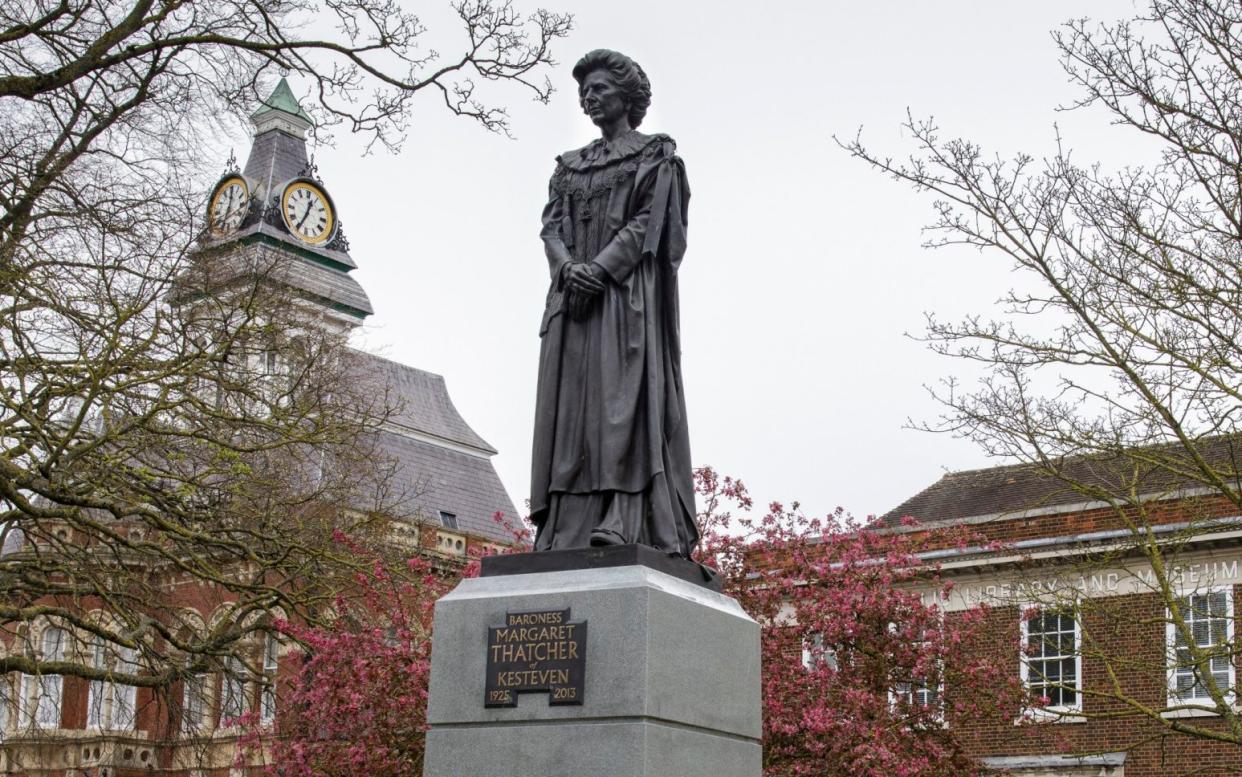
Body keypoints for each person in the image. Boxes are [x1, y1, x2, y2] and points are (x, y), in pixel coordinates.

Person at [530, 49, 698, 557]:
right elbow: (551, 226)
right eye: (585, 91)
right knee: (570, 416)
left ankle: (622, 517)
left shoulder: (655, 156)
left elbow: (651, 224)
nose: (589, 97)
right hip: (573, 306)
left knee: (619, 408)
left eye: (600, 88)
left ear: (627, 96)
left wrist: (599, 270)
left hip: (624, 302)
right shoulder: (569, 167)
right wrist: (567, 269)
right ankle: (563, 528)